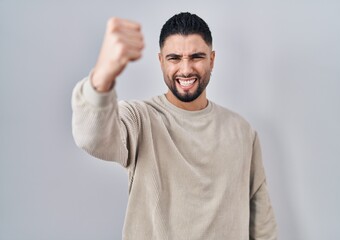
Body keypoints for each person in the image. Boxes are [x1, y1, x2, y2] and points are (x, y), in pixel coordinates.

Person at [72, 12, 277, 240]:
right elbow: (91, 138)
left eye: (196, 56)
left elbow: (262, 223)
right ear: (160, 61)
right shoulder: (140, 119)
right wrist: (102, 76)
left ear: (212, 59)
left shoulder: (242, 131)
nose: (186, 69)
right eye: (175, 58)